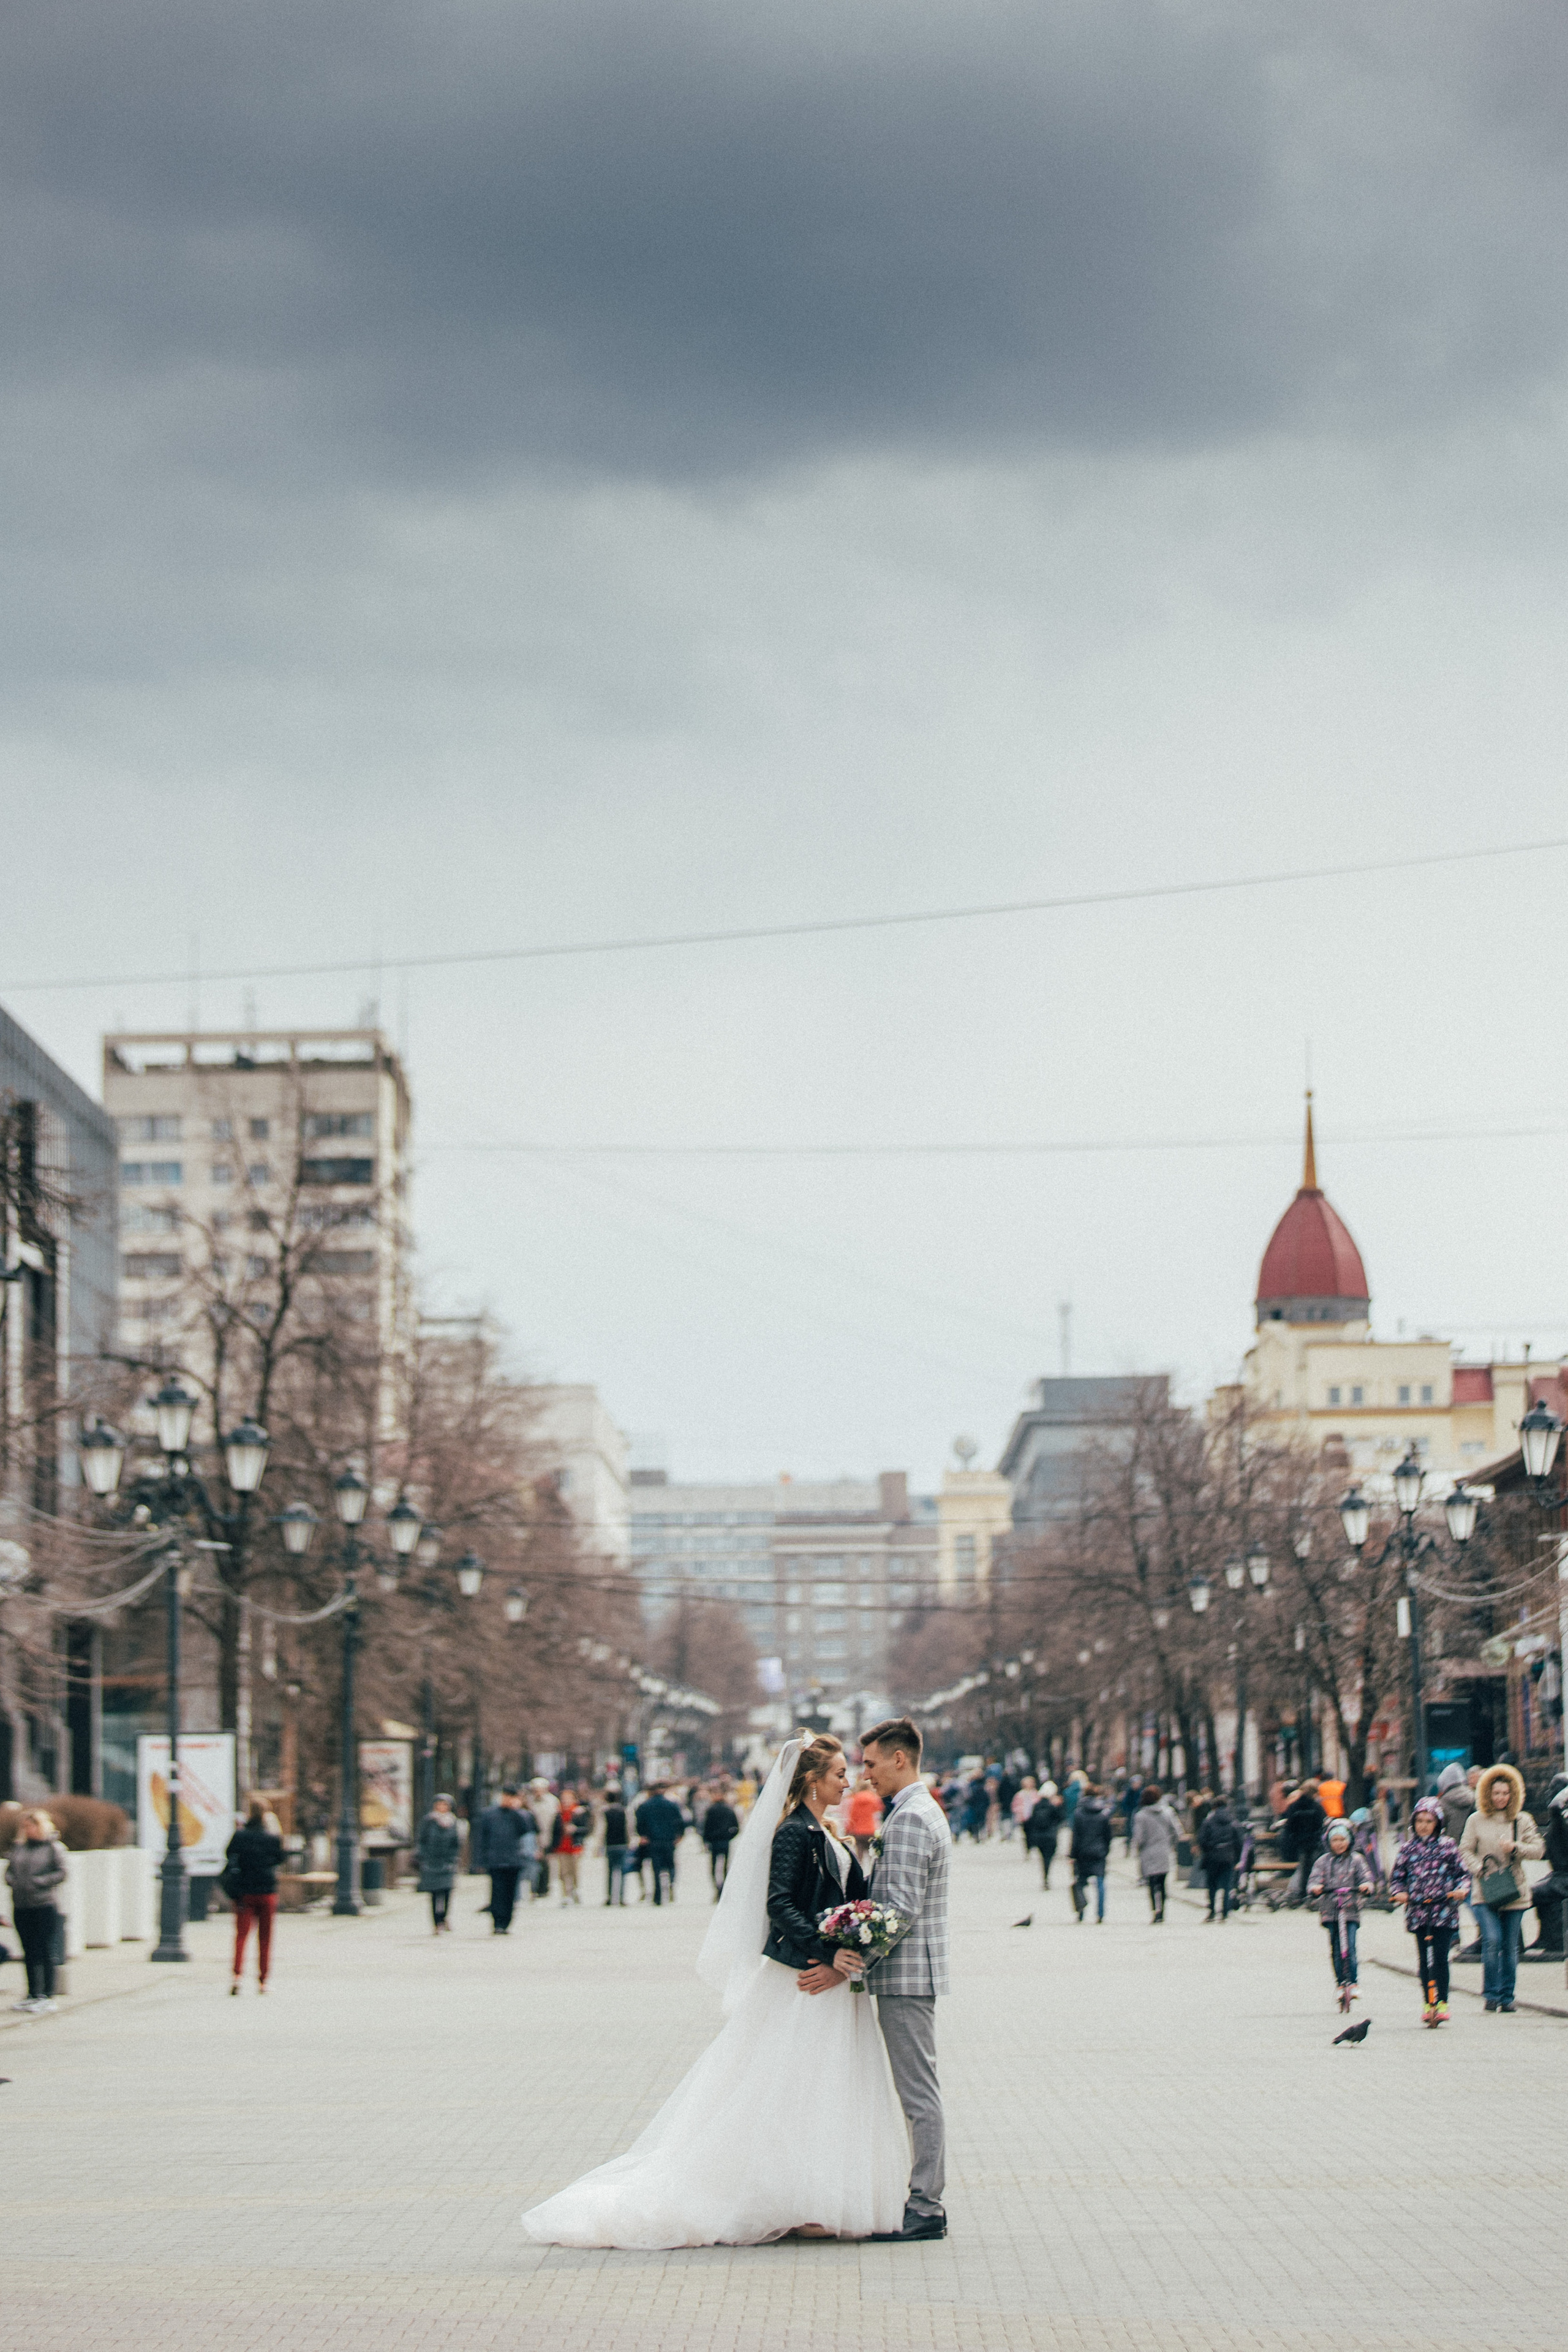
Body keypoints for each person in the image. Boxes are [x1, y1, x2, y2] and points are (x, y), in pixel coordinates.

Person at [521, 1730, 911, 2246]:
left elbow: (849, 1900)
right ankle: (785, 2196)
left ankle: (812, 2194)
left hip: (833, 1982)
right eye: (840, 1773)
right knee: (789, 2084)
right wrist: (825, 1950)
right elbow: (779, 1904)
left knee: (821, 2086)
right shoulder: (794, 1831)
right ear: (812, 1781)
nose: (850, 1780)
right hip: (803, 1982)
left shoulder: (831, 1831)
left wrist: (857, 1944)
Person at [859, 1714, 952, 2242]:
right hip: (910, 1974)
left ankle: (926, 2206)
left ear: (900, 1758)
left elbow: (900, 1908)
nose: (865, 1773)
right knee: (918, 2090)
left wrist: (853, 1959)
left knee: (918, 2094)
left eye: (871, 1763)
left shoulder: (913, 1817)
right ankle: (924, 2199)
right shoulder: (915, 1810)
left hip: (907, 1976)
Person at [1460, 1762, 1544, 2013]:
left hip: (1513, 1890)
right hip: (1485, 1889)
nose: (1501, 1798)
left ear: (1513, 1794)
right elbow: (1465, 1849)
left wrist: (1516, 1848)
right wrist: (1479, 1868)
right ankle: (1491, 1994)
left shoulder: (1522, 1819)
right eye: (1496, 1793)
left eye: (1505, 1793)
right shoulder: (1476, 1819)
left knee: (1510, 1945)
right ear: (1487, 1793)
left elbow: (1539, 1849)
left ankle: (1507, 1996)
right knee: (1492, 1940)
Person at [1390, 1792, 1471, 2024]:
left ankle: (1443, 2001)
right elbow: (1397, 1878)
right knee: (1425, 1960)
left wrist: (1461, 1889)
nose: (1424, 1826)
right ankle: (1428, 2001)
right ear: (1413, 1823)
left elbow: (1462, 1874)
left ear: (1437, 1823)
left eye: (1429, 1821)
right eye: (1420, 1822)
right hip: (1419, 1911)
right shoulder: (1407, 1849)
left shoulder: (1447, 1846)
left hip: (1443, 1910)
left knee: (1441, 1959)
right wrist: (1399, 1893)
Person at [1306, 1817, 1377, 2008]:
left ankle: (1353, 1982)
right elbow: (1314, 1880)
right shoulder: (1323, 1862)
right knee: (1337, 1948)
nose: (1339, 1844)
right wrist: (1316, 1888)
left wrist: (1365, 1886)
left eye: (1342, 1840)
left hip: (1351, 1910)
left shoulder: (1357, 1860)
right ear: (1328, 1842)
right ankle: (1340, 1983)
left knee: (1351, 1947)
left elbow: (1366, 1877)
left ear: (1350, 1841)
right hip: (1331, 1910)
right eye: (1335, 1840)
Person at [6, 1807, 67, 2015]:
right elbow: (10, 1871)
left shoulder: (53, 1848)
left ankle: (47, 1995)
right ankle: (33, 1993)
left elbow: (61, 1873)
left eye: (31, 1826)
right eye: (24, 1827)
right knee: (29, 1951)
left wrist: (39, 1882)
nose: (27, 1830)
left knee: (45, 1950)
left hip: (44, 1905)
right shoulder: (19, 1848)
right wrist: (13, 1881)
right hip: (22, 1905)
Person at [224, 1798, 284, 1993]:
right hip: (267, 1891)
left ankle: (237, 1977)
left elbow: (229, 1854)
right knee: (265, 1937)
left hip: (245, 1892)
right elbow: (280, 1857)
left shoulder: (240, 1836)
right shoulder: (272, 1838)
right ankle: (263, 1980)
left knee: (242, 1935)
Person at [474, 1785, 532, 1934]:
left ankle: (506, 1922)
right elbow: (481, 1838)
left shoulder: (520, 1814)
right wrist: (480, 1860)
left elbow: (526, 1829)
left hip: (513, 1860)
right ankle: (498, 1922)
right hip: (495, 1860)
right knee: (497, 1891)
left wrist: (517, 1811)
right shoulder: (489, 1814)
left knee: (510, 1893)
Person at [1130, 1784, 1182, 1922]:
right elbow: (1177, 1831)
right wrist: (1170, 1844)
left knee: (1152, 1883)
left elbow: (1139, 1837)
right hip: (1164, 1851)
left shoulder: (1141, 1816)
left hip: (1149, 1853)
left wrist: (1138, 1848)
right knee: (1163, 1882)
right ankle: (1163, 1910)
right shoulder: (1168, 1812)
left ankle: (1155, 1910)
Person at [417, 1793, 463, 1934]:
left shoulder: (454, 1822)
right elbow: (422, 1840)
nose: (442, 1807)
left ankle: (444, 1918)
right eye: (440, 1804)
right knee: (434, 1894)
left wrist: (454, 1858)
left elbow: (457, 1842)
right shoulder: (429, 1821)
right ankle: (437, 1922)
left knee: (447, 1892)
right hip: (432, 1862)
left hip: (448, 1862)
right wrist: (424, 1856)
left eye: (445, 1805)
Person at [635, 1782, 686, 1905]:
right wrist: (679, 1835)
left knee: (656, 1868)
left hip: (653, 1841)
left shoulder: (644, 1806)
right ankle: (671, 1886)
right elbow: (680, 1821)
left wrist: (643, 1835)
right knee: (671, 1865)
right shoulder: (672, 1804)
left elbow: (640, 1823)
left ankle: (658, 1896)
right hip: (669, 1840)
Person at [1069, 1782, 1114, 1921]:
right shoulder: (1103, 1814)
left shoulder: (1079, 1813)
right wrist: (1105, 1850)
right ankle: (1100, 1914)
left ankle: (1081, 1911)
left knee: (1081, 1883)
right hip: (1099, 1852)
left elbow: (1076, 1836)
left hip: (1082, 1852)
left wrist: (1072, 1854)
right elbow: (1108, 1836)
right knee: (1100, 1883)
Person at [1279, 1779, 1326, 1902]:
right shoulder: (1316, 1807)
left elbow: (1290, 1825)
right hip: (1314, 1842)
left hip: (1300, 1843)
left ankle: (1302, 1892)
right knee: (1314, 1867)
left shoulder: (1295, 1806)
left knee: (1304, 1867)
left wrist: (1295, 1838)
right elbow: (1321, 1823)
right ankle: (1312, 1891)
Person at [1198, 1793, 1243, 1920]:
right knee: (1227, 1884)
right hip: (1229, 1857)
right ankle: (1225, 1911)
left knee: (1212, 1885)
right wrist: (1237, 1858)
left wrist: (1208, 1850)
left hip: (1212, 1857)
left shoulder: (1208, 1822)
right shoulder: (1233, 1821)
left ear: (1214, 1807)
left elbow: (1202, 1840)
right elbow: (1239, 1842)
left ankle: (1212, 1910)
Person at [702, 1788, 741, 1894]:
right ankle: (724, 1888)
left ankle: (717, 1888)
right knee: (725, 1866)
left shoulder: (711, 1809)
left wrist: (706, 1840)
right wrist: (730, 1836)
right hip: (725, 1841)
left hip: (714, 1841)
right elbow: (736, 1827)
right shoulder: (729, 1809)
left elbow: (706, 1826)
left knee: (714, 1866)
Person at [1025, 1781, 1061, 1887]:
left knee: (1043, 1858)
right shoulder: (1052, 1806)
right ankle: (1047, 1876)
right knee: (1048, 1858)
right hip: (1050, 1836)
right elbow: (1060, 1818)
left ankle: (1045, 1876)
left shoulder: (1036, 1806)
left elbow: (1031, 1821)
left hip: (1039, 1836)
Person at [554, 1789, 586, 1904]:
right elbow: (555, 1830)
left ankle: (576, 1890)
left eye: (568, 1798)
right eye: (564, 1799)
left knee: (575, 1871)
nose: (566, 1801)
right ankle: (566, 1894)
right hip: (562, 1846)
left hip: (575, 1846)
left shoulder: (579, 1813)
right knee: (564, 1872)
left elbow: (586, 1829)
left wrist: (576, 1830)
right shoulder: (559, 1813)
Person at [843, 1773, 882, 1864]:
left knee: (859, 1856)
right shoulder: (874, 1798)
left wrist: (848, 1830)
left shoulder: (855, 1798)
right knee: (872, 1856)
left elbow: (853, 1816)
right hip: (870, 1830)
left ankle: (859, 1873)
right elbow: (879, 1811)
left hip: (859, 1831)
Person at [601, 1785, 630, 1905]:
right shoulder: (625, 1811)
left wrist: (599, 1845)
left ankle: (609, 1897)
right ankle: (622, 1898)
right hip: (622, 1844)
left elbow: (602, 1830)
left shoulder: (605, 1812)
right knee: (623, 1872)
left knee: (610, 1872)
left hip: (610, 1844)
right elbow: (629, 1828)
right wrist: (630, 1841)